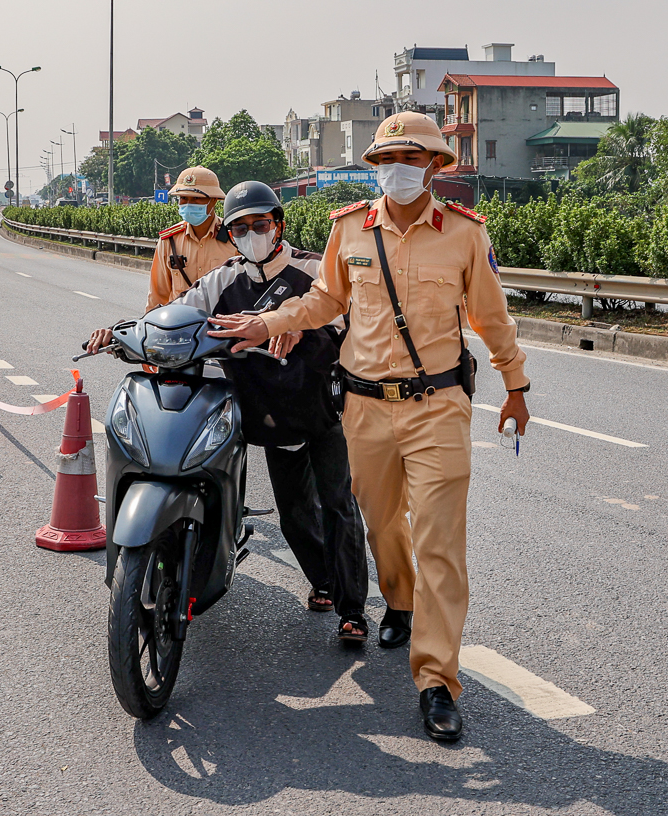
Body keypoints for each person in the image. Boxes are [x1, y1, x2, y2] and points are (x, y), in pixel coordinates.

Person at [208, 112, 531, 742]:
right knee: (382, 524)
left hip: (438, 405)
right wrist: (267, 323)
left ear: (436, 166)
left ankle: (436, 679)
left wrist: (515, 385)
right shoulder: (350, 229)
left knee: (439, 541)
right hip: (363, 407)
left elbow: (493, 319)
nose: (399, 169)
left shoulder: (464, 236)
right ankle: (399, 601)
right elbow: (326, 300)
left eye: (413, 158)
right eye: (388, 158)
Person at [88, 181, 370, 642]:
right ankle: (324, 581)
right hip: (264, 411)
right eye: (241, 227)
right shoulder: (225, 278)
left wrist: (299, 331)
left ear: (278, 225)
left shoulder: (312, 270)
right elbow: (174, 314)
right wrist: (120, 332)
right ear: (232, 234)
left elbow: (344, 320)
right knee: (294, 511)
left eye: (261, 224)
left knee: (337, 504)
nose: (252, 233)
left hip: (318, 406)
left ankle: (353, 610)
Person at [144, 166, 239, 312]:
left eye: (197, 198)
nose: (189, 204)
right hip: (179, 325)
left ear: (213, 201)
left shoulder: (234, 237)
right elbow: (158, 295)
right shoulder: (169, 240)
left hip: (223, 326)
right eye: (183, 198)